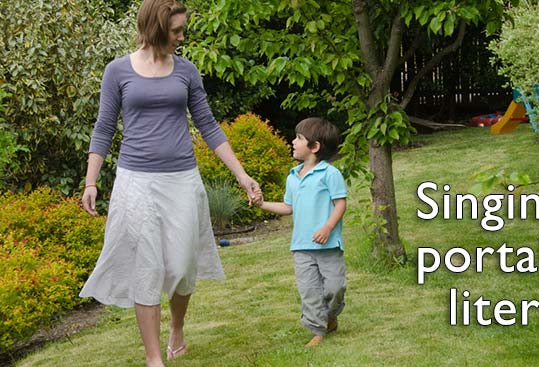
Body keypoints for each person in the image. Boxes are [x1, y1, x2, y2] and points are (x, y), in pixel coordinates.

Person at [78, 1, 259, 366]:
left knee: (180, 265)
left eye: (181, 30)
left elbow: (207, 124)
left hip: (181, 180)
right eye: (175, 31)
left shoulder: (187, 71)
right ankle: (154, 358)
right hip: (136, 182)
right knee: (146, 265)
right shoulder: (118, 71)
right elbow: (104, 126)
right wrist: (91, 181)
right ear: (155, 29)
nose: (181, 37)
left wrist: (241, 174)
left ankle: (177, 327)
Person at [253, 117, 347, 347]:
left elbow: (341, 204)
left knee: (335, 288)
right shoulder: (292, 177)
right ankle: (318, 329)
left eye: (299, 138)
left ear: (315, 147)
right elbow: (288, 207)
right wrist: (262, 204)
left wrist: (327, 228)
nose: (293, 141)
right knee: (310, 291)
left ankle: (331, 315)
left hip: (328, 246)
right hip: (301, 248)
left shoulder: (330, 174)